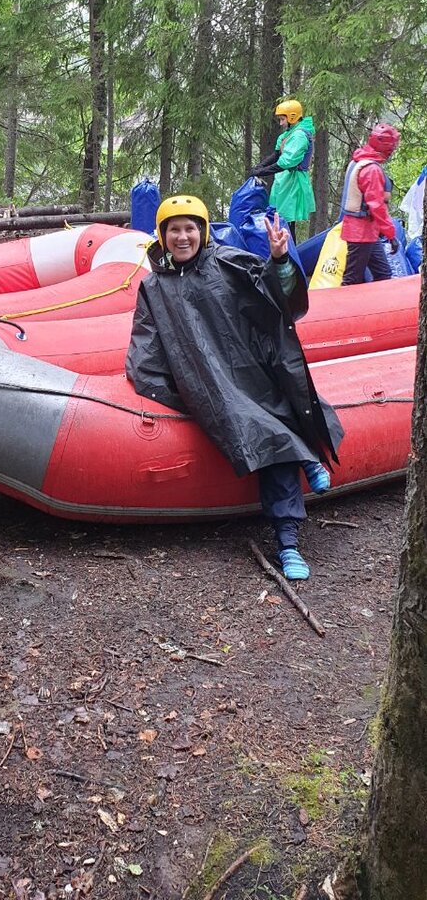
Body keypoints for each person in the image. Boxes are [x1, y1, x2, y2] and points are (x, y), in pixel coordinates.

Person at [125, 195, 343, 581]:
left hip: (251, 365)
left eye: (190, 228)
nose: (182, 237)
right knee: (259, 430)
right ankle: (303, 474)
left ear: (203, 232)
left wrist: (280, 260)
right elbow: (147, 342)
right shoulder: (153, 287)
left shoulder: (227, 262)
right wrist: (164, 389)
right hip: (210, 381)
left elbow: (278, 298)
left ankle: (291, 536)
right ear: (162, 235)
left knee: (279, 408)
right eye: (174, 230)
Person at [340, 124, 400, 286]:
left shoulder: (359, 161)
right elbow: (377, 206)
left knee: (383, 274)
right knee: (351, 280)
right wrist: (390, 234)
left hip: (366, 231)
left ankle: (374, 302)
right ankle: (344, 302)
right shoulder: (371, 169)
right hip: (360, 233)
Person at [251, 98, 316, 240]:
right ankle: (283, 250)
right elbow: (276, 155)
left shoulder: (299, 136)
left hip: (293, 182)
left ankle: (289, 251)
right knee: (279, 219)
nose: (280, 123)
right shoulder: (288, 133)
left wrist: (262, 171)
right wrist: (260, 166)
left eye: (282, 119)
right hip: (284, 181)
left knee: (286, 222)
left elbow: (286, 162)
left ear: (292, 117)